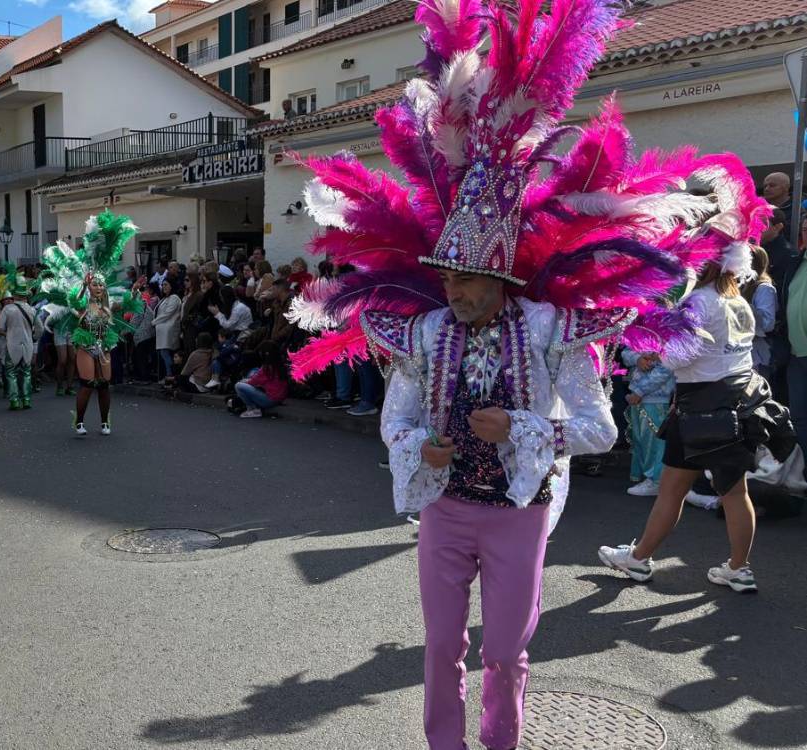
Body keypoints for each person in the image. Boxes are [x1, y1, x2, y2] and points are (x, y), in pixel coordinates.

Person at [283, 1, 771, 745]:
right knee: (441, 648)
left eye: (471, 278)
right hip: (445, 507)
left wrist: (522, 425)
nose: (455, 290)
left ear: (505, 281)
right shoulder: (424, 331)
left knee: (506, 654)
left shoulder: (549, 332)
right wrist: (422, 449)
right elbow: (396, 418)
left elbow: (599, 430)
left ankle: (499, 741)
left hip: (519, 510)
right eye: (448, 277)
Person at [599, 259, 794, 593]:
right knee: (733, 491)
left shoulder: (698, 301)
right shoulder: (738, 300)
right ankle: (737, 568)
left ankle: (641, 558)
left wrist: (657, 339)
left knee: (673, 490)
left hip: (698, 409)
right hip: (736, 405)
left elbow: (678, 358)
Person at [35, 213, 143, 436]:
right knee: (87, 383)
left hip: (104, 345)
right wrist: (83, 287)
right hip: (86, 345)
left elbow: (126, 305)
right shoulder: (83, 304)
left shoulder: (108, 305)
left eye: (100, 285)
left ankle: (105, 422)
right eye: (95, 285)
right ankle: (80, 421)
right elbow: (74, 301)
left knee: (104, 385)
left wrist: (133, 292)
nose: (98, 288)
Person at [621, 350, 674, 497]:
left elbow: (668, 367)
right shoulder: (639, 330)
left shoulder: (670, 334)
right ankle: (649, 477)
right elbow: (625, 352)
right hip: (638, 397)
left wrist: (639, 391)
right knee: (641, 439)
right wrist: (637, 358)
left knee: (655, 442)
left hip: (658, 398)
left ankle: (657, 481)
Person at [0, 274, 41, 410]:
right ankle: (26, 399)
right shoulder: (32, 309)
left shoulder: (7, 309)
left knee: (11, 372)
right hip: (27, 344)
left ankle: (14, 400)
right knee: (26, 372)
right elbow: (40, 328)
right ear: (25, 295)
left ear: (14, 294)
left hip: (12, 345)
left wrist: (10, 331)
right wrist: (34, 337)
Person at [743, 245, 776, 379]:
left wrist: (745, 308)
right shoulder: (741, 285)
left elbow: (768, 324)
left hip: (757, 356)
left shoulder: (764, 288)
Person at [233, 342, 290, 419]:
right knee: (248, 380)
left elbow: (253, 381)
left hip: (270, 399)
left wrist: (243, 381)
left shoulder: (268, 367)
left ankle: (252, 409)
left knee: (239, 385)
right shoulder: (280, 364)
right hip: (278, 398)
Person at [153, 279, 182, 380]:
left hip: (169, 329)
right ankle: (168, 375)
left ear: (172, 286)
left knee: (166, 354)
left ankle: (170, 375)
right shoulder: (164, 298)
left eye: (166, 284)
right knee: (164, 354)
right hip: (162, 330)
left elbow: (167, 313)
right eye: (162, 285)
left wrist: (154, 322)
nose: (163, 286)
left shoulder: (174, 298)